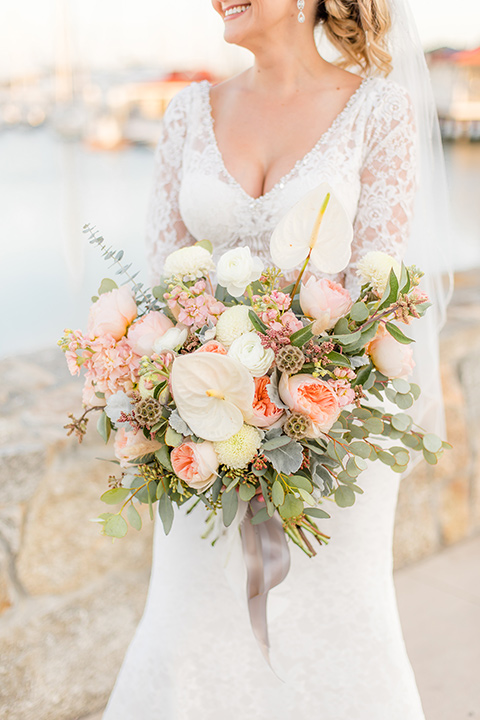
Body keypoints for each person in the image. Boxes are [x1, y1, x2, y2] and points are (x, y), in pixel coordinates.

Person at [103, 1, 448, 718]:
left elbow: (376, 284)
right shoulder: (191, 111)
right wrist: (178, 388)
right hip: (197, 428)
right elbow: (164, 280)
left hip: (335, 427)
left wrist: (291, 389)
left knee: (341, 625)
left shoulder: (378, 109)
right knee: (187, 621)